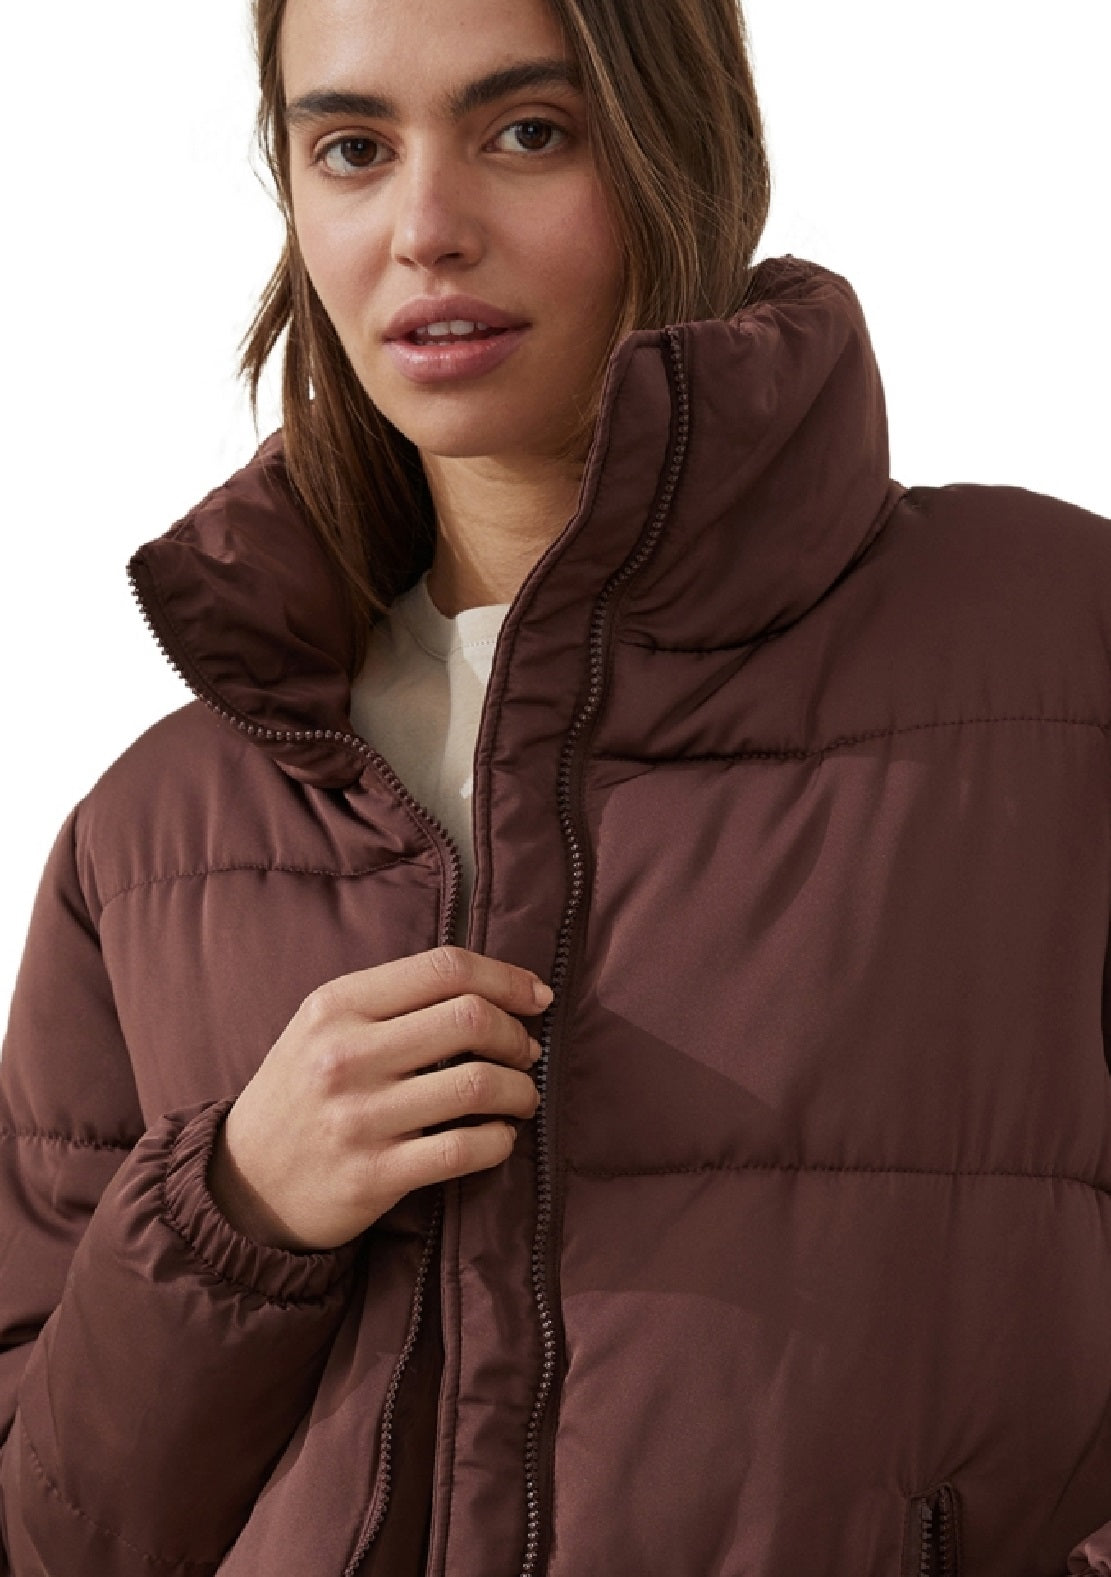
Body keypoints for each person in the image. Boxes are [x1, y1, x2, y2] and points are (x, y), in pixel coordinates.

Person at [1, 0, 1110, 1573]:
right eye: (353, 149)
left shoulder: (1055, 656)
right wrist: (233, 1207)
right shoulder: (158, 833)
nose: (426, 228)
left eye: (528, 132)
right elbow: (47, 1530)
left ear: (679, 147)